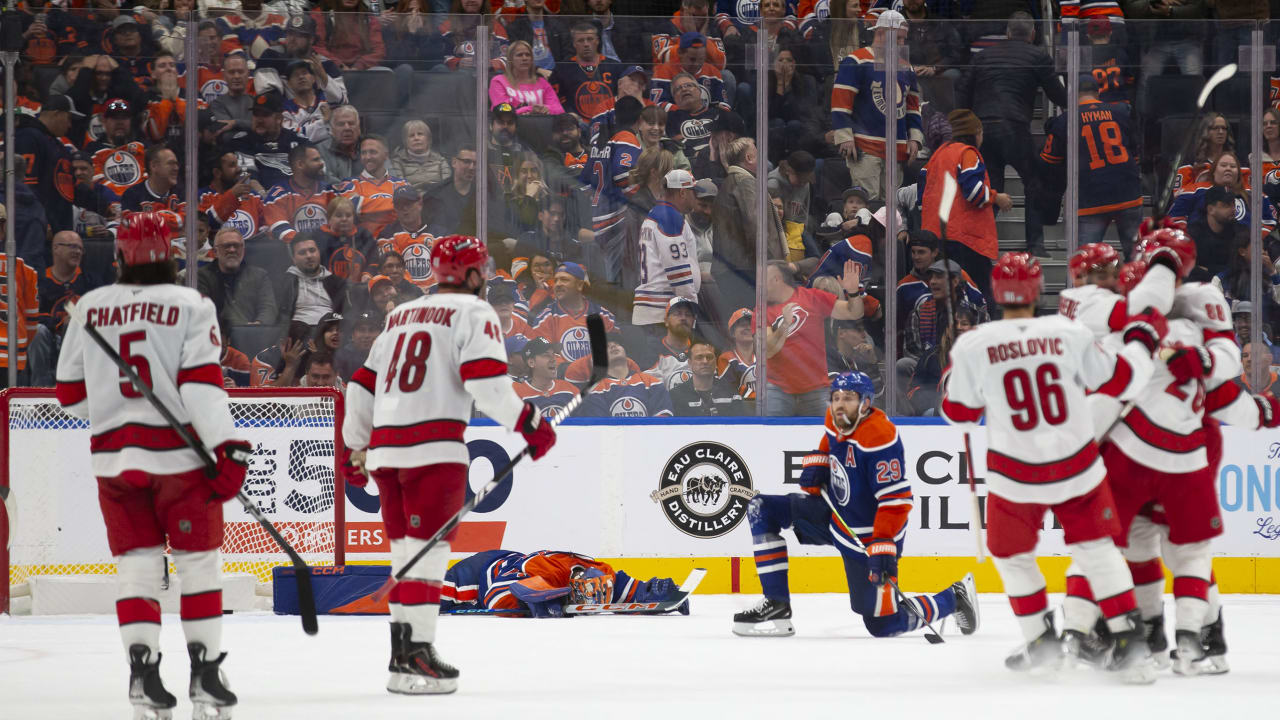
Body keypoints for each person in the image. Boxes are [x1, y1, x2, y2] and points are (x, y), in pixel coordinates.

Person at [340, 234, 558, 695]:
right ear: (474, 274)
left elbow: (360, 385)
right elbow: (486, 386)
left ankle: (402, 657)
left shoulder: (400, 314)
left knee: (405, 554)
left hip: (386, 454)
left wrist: (354, 448)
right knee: (429, 554)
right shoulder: (474, 312)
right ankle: (416, 655)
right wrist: (530, 423)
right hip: (433, 452)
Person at [54, 212, 250, 719]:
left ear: (118, 258)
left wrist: (114, 407)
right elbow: (201, 386)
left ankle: (143, 675)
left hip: (115, 463)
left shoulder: (90, 307)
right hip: (179, 462)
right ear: (171, 257)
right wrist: (227, 445)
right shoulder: (191, 303)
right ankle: (205, 675)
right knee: (198, 565)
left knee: (136, 569)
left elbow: (70, 397)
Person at [940, 252, 1164, 680]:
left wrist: (954, 372)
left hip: (1015, 473)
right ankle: (1130, 646)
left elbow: (960, 413)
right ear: (1038, 288)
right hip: (1076, 465)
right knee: (1097, 551)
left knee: (1011, 556)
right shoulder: (1069, 331)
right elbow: (1116, 381)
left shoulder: (975, 343)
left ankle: (1040, 642)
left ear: (995, 291)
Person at [733, 371, 980, 637]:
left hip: (869, 537)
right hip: (835, 517)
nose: (839, 404)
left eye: (848, 398)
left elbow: (895, 500)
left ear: (865, 403)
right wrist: (820, 460)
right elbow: (830, 440)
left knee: (884, 625)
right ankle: (776, 602)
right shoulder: (835, 417)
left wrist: (884, 544)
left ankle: (953, 597)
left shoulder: (879, 437)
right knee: (761, 508)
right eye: (836, 397)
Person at [955, 11, 1066, 257]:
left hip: (982, 128)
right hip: (1014, 127)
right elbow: (1057, 95)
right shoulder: (1038, 55)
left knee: (991, 186)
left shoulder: (983, 56)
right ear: (1033, 34)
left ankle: (980, 243)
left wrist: (964, 128)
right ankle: (1035, 245)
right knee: (1034, 182)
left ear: (1007, 32)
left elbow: (962, 90)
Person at [1038, 75, 1142, 256]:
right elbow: (1136, 156)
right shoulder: (1120, 113)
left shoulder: (1065, 121)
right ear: (1098, 92)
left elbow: (1049, 162)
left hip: (1090, 199)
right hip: (1127, 193)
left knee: (1085, 264)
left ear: (1073, 94)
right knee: (1138, 259)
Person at [830, 11, 923, 202]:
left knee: (891, 205)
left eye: (903, 39)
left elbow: (913, 107)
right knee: (867, 202)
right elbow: (841, 102)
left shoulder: (906, 67)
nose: (900, 44)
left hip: (895, 149)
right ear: (880, 33)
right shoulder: (856, 61)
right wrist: (845, 137)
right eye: (897, 38)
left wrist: (915, 138)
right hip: (865, 148)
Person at [919, 110, 1007, 304]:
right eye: (981, 132)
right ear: (975, 131)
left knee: (948, 299)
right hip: (966, 239)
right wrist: (996, 197)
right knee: (980, 295)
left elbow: (922, 194)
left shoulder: (937, 155)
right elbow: (974, 193)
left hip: (938, 236)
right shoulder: (967, 154)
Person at [441, 549, 688, 616]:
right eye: (585, 594)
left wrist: (659, 594)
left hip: (517, 563)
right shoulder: (547, 570)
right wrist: (540, 600)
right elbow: (496, 596)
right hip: (480, 572)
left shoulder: (599, 574)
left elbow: (624, 588)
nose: (590, 600)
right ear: (574, 582)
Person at [763, 260, 866, 416]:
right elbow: (768, 350)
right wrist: (784, 325)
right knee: (771, 436)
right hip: (778, 389)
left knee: (825, 435)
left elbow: (854, 312)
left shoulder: (812, 298)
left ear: (777, 279)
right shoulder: (761, 309)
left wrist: (852, 293)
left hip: (815, 387)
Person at [581, 96, 642, 284]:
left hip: (595, 216)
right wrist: (639, 196)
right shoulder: (627, 139)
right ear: (639, 120)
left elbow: (584, 180)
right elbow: (622, 176)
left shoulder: (601, 142)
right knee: (613, 280)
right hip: (615, 219)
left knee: (599, 279)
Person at [633, 169, 702, 330]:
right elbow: (678, 273)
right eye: (694, 192)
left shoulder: (656, 214)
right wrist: (689, 310)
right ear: (683, 193)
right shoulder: (669, 217)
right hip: (664, 314)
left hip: (654, 311)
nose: (696, 197)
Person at [531, 262, 617, 363]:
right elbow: (543, 357)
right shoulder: (543, 319)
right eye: (555, 280)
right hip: (561, 376)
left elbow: (615, 354)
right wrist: (573, 371)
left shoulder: (604, 317)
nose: (558, 284)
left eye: (564, 280)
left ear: (580, 285)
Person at [223, 91, 308, 190]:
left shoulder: (298, 140)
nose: (259, 120)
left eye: (265, 115)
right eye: (256, 114)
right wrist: (267, 198)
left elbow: (315, 172)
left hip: (300, 197)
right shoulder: (242, 141)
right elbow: (248, 178)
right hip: (263, 199)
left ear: (279, 118)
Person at [197, 227, 279, 330]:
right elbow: (201, 313)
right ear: (215, 252)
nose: (232, 250)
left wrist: (258, 325)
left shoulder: (260, 276)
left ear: (243, 250)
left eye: (236, 246)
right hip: (215, 338)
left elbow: (268, 308)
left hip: (252, 338)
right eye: (226, 246)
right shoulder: (201, 277)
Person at [579, 335, 676, 417]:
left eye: (617, 344)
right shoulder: (595, 389)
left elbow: (663, 419)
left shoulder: (651, 382)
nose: (613, 346)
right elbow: (600, 428)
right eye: (606, 346)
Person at [263, 143, 336, 243]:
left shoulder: (329, 191)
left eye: (320, 159)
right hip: (294, 255)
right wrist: (309, 243)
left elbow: (341, 222)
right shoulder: (278, 195)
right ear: (300, 164)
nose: (322, 163)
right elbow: (279, 229)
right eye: (315, 160)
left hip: (328, 250)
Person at [276, 233, 347, 326]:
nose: (309, 256)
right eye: (302, 253)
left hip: (329, 331)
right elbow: (280, 317)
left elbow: (346, 314)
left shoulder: (336, 282)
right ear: (293, 259)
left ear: (319, 253)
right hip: (297, 333)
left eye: (312, 250)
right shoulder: (284, 282)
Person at [669, 339, 743, 416]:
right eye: (699, 357)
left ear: (716, 362)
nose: (705, 361)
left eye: (709, 357)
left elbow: (740, 425)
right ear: (690, 363)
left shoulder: (731, 392)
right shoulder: (675, 396)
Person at [490, 40, 564, 116]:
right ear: (510, 59)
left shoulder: (542, 82)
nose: (524, 58)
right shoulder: (498, 81)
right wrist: (531, 109)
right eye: (519, 55)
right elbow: (502, 111)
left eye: (528, 55)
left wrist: (546, 108)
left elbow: (559, 110)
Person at [767, 150, 816, 262]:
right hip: (778, 232)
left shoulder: (805, 183)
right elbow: (770, 219)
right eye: (800, 180)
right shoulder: (773, 184)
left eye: (806, 181)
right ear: (789, 171)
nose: (803, 184)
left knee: (815, 257)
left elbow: (804, 214)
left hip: (797, 230)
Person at [512, 337, 579, 417]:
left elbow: (584, 423)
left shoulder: (569, 389)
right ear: (531, 362)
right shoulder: (516, 393)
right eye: (546, 355)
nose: (553, 359)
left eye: (553, 354)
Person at [391, 120, 451, 193]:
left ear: (428, 139)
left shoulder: (441, 160)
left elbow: (448, 189)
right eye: (411, 135)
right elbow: (400, 190)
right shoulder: (397, 162)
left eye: (420, 134)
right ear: (405, 141)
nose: (416, 138)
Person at [318, 105, 362, 186]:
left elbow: (387, 175)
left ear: (359, 128)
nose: (347, 128)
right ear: (332, 129)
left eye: (351, 123)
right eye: (341, 124)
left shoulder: (371, 146)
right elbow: (327, 181)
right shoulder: (318, 151)